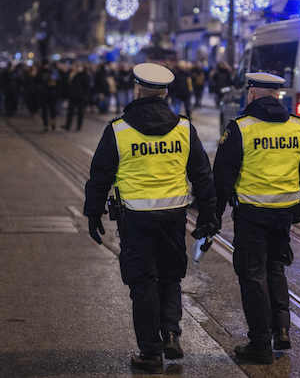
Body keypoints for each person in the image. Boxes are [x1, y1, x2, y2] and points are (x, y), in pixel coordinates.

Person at [84, 63, 218, 374]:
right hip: (173, 218)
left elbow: (100, 177)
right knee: (170, 277)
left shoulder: (118, 130)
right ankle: (171, 333)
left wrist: (93, 213)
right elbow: (203, 176)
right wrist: (209, 216)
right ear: (166, 93)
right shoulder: (184, 128)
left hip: (136, 220)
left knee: (143, 283)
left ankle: (150, 353)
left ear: (137, 90)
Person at [213, 72, 300, 365]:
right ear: (277, 95)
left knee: (252, 273)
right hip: (284, 213)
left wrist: (214, 213)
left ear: (252, 94)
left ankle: (260, 344)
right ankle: (281, 329)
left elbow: (223, 175)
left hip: (252, 213)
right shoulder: (297, 125)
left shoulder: (241, 127)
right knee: (275, 267)